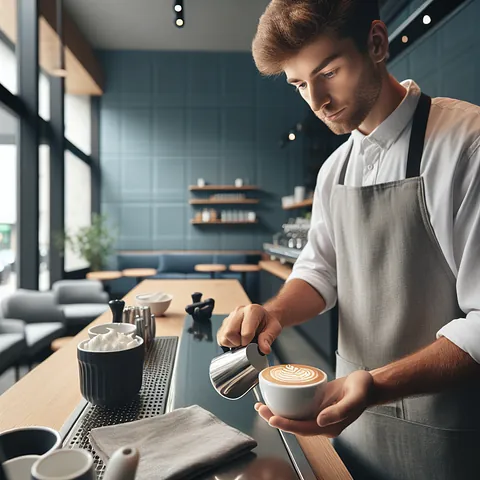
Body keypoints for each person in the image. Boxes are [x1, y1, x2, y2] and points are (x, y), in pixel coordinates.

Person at [217, 1, 480, 479]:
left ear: (376, 44)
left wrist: (375, 385)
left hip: (447, 440)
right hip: (348, 429)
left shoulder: (466, 144)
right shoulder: (333, 170)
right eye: (299, 84)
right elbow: (319, 273)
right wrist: (274, 313)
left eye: (328, 72)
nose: (316, 99)